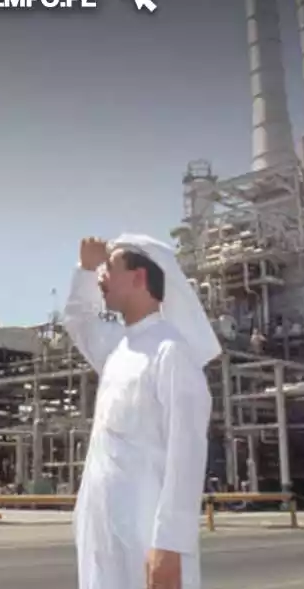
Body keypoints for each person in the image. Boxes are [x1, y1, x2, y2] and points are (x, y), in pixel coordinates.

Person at [64, 235, 222, 589]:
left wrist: (170, 544)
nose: (102, 275)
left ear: (139, 277)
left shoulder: (171, 352)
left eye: (110, 267)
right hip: (103, 535)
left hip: (145, 539)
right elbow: (79, 320)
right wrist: (85, 270)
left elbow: (187, 454)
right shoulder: (118, 348)